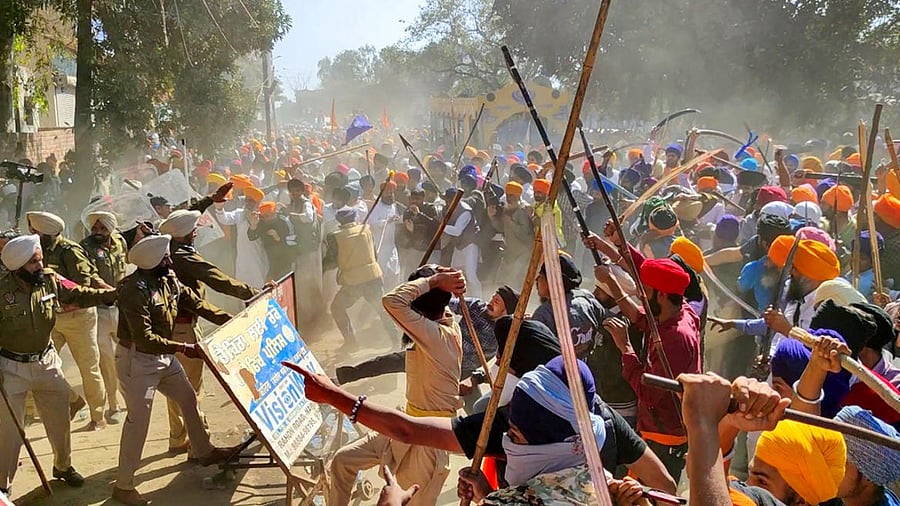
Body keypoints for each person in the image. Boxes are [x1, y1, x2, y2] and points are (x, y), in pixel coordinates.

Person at [283, 354, 676, 495]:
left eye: (517, 435)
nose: (508, 440)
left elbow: (664, 489)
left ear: (550, 437)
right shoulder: (599, 420)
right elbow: (665, 485)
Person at [113, 234, 238, 505]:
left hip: (164, 357)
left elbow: (197, 304)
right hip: (138, 360)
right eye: (165, 259)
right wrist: (183, 347)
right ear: (152, 262)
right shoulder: (133, 291)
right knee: (138, 421)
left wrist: (233, 320)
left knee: (188, 399)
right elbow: (144, 338)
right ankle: (123, 485)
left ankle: (203, 451)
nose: (170, 262)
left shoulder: (168, 280)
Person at [324, 265, 464, 506]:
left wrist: (434, 280)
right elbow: (414, 297)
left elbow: (392, 301)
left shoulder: (437, 336)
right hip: (404, 421)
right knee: (343, 461)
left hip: (429, 440)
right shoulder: (442, 316)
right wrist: (440, 276)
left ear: (419, 307)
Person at [0, 235, 117, 493]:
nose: (40, 266)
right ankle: (3, 486)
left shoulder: (50, 279)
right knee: (10, 431)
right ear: (18, 266)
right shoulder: (1, 290)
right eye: (34, 262)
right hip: (11, 368)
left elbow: (77, 293)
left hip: (47, 362)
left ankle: (63, 466)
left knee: (60, 421)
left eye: (40, 259)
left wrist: (111, 294)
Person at [592, 228, 703, 482]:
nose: (640, 294)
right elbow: (639, 312)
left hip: (664, 436)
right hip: (653, 429)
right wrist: (613, 250)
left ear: (661, 295)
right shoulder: (676, 310)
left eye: (645, 291)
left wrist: (625, 348)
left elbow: (649, 392)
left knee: (650, 493)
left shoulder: (675, 338)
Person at [158, 209, 262, 456]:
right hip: (183, 328)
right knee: (191, 388)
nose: (196, 232)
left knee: (175, 384)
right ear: (185, 233)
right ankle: (199, 446)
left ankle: (178, 437)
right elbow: (218, 280)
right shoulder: (183, 256)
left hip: (171, 328)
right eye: (193, 229)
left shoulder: (167, 252)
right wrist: (253, 293)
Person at [27, 210, 111, 429]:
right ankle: (73, 400)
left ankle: (98, 416)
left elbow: (84, 285)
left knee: (88, 368)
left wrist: (65, 302)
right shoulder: (36, 251)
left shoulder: (70, 251)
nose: (32, 235)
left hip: (78, 318)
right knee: (41, 365)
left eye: (35, 232)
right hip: (52, 317)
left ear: (46, 233)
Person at [80, 211, 128, 424]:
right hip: (98, 310)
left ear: (111, 229)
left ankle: (132, 398)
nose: (97, 232)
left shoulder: (120, 242)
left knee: (128, 354)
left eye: (102, 228)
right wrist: (109, 290)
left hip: (120, 309)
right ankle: (113, 405)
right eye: (94, 228)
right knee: (106, 361)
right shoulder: (85, 247)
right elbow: (91, 275)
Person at [322, 207, 396, 346]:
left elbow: (332, 261)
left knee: (337, 308)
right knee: (382, 310)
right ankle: (396, 341)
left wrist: (322, 267)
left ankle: (351, 343)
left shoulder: (334, 236)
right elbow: (374, 255)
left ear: (339, 220)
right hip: (373, 277)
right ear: (354, 217)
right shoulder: (366, 230)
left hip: (353, 282)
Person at [532, 253, 606, 359]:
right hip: (584, 366)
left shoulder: (544, 315)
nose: (536, 280)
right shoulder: (588, 299)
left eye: (540, 276)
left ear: (551, 281)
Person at [212, 184, 269, 288]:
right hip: (242, 256)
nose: (248, 203)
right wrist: (219, 209)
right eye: (247, 200)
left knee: (258, 283)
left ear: (257, 203)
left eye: (251, 201)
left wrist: (254, 224)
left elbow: (255, 236)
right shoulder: (239, 213)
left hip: (257, 255)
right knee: (242, 284)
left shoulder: (262, 217)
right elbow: (225, 219)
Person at [248, 201, 296, 280]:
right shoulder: (262, 222)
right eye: (265, 216)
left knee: (285, 279)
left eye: (271, 214)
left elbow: (293, 239)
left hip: (285, 256)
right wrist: (253, 225)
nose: (269, 218)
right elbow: (251, 237)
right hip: (269, 257)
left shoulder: (284, 220)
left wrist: (278, 238)